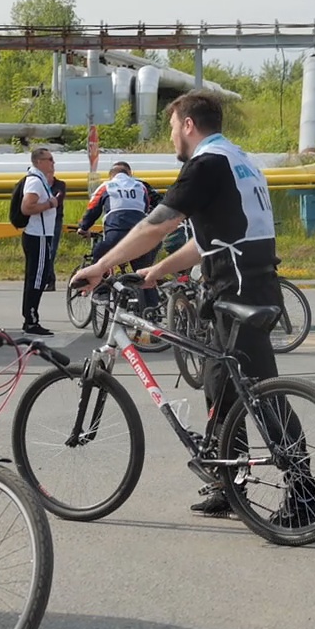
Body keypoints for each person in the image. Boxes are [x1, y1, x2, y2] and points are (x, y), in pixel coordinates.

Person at [74, 95, 287, 517]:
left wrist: (101, 265)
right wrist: (156, 272)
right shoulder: (239, 158)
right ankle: (230, 481)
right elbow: (209, 239)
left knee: (264, 396)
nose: (171, 136)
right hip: (247, 284)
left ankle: (304, 491)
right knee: (220, 387)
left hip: (238, 289)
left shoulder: (206, 164)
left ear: (188, 125)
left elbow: (158, 224)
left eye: (172, 127)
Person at [76, 161, 158, 311]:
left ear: (110, 176)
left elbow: (93, 210)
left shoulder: (106, 186)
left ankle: (101, 293)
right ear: (130, 174)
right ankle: (153, 309)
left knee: (100, 254)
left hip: (116, 234)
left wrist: (83, 227)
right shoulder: (140, 186)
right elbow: (145, 207)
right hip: (140, 235)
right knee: (143, 273)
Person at [17, 148, 64, 336]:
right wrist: (50, 204)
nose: (53, 163)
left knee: (37, 277)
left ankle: (30, 318)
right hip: (38, 236)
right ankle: (31, 320)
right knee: (37, 279)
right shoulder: (35, 182)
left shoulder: (38, 180)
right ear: (39, 161)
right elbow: (27, 207)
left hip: (40, 235)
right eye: (49, 159)